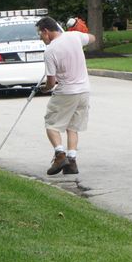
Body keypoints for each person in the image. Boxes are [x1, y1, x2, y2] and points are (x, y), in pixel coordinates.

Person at [36, 16, 95, 176]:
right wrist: (80, 31)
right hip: (84, 91)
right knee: (72, 127)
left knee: (51, 124)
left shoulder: (50, 51)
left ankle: (60, 155)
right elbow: (92, 38)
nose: (41, 38)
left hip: (66, 92)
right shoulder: (75, 36)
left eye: (40, 35)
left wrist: (43, 90)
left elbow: (51, 81)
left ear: (46, 31)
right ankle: (72, 162)